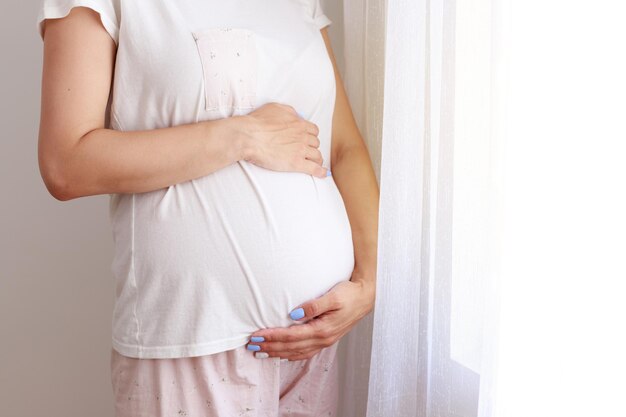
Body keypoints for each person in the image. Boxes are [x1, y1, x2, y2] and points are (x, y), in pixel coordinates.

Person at [36, 0, 379, 415]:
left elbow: (342, 147)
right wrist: (243, 137)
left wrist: (369, 281)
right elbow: (66, 164)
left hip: (312, 345)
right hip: (191, 344)